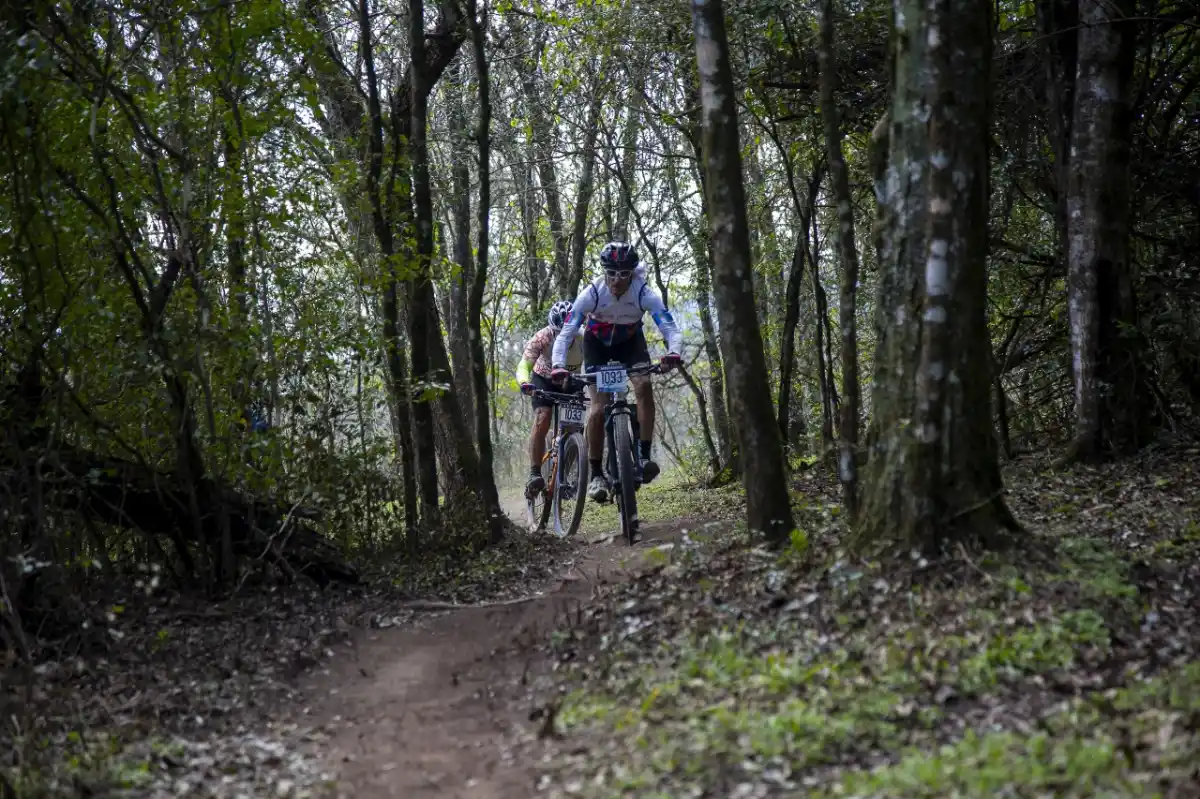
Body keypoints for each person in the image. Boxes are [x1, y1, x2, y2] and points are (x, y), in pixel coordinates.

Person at [550, 241, 682, 503]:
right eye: (611, 273)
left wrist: (673, 352)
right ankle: (596, 474)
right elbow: (566, 333)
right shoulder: (592, 293)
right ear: (604, 272)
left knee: (644, 386)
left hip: (630, 344)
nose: (616, 280)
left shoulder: (643, 292)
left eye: (623, 274)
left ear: (632, 273)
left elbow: (669, 326)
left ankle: (643, 456)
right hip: (597, 346)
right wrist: (558, 365)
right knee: (598, 409)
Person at [517, 300, 583, 498]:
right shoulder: (542, 337)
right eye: (558, 333)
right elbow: (524, 365)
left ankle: (562, 477)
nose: (564, 338)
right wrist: (524, 382)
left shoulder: (583, 337)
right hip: (543, 379)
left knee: (574, 428)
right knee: (543, 417)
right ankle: (535, 473)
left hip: (571, 381)